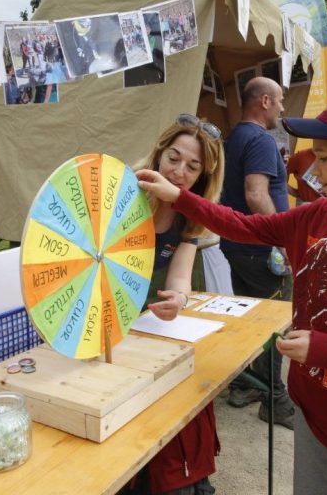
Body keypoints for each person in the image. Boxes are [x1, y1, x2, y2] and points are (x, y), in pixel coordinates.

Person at [136, 87, 327, 495]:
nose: (314, 172)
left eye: (324, 158)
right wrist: (180, 196)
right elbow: (243, 226)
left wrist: (325, 350)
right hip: (313, 410)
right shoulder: (317, 214)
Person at [124, 114, 224, 495]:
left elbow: (180, 276)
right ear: (158, 154)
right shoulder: (126, 192)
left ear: (203, 176)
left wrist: (178, 299)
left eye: (193, 166)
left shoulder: (191, 215)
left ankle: (179, 477)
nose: (180, 171)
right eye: (173, 158)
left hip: (149, 327)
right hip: (107, 324)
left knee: (184, 396)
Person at [219, 76, 294, 426]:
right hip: (263, 250)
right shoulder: (261, 140)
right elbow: (256, 194)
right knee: (272, 324)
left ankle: (243, 386)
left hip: (239, 247)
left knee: (250, 321)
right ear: (264, 101)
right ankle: (274, 400)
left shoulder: (235, 136)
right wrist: (284, 237)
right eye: (279, 100)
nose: (282, 107)